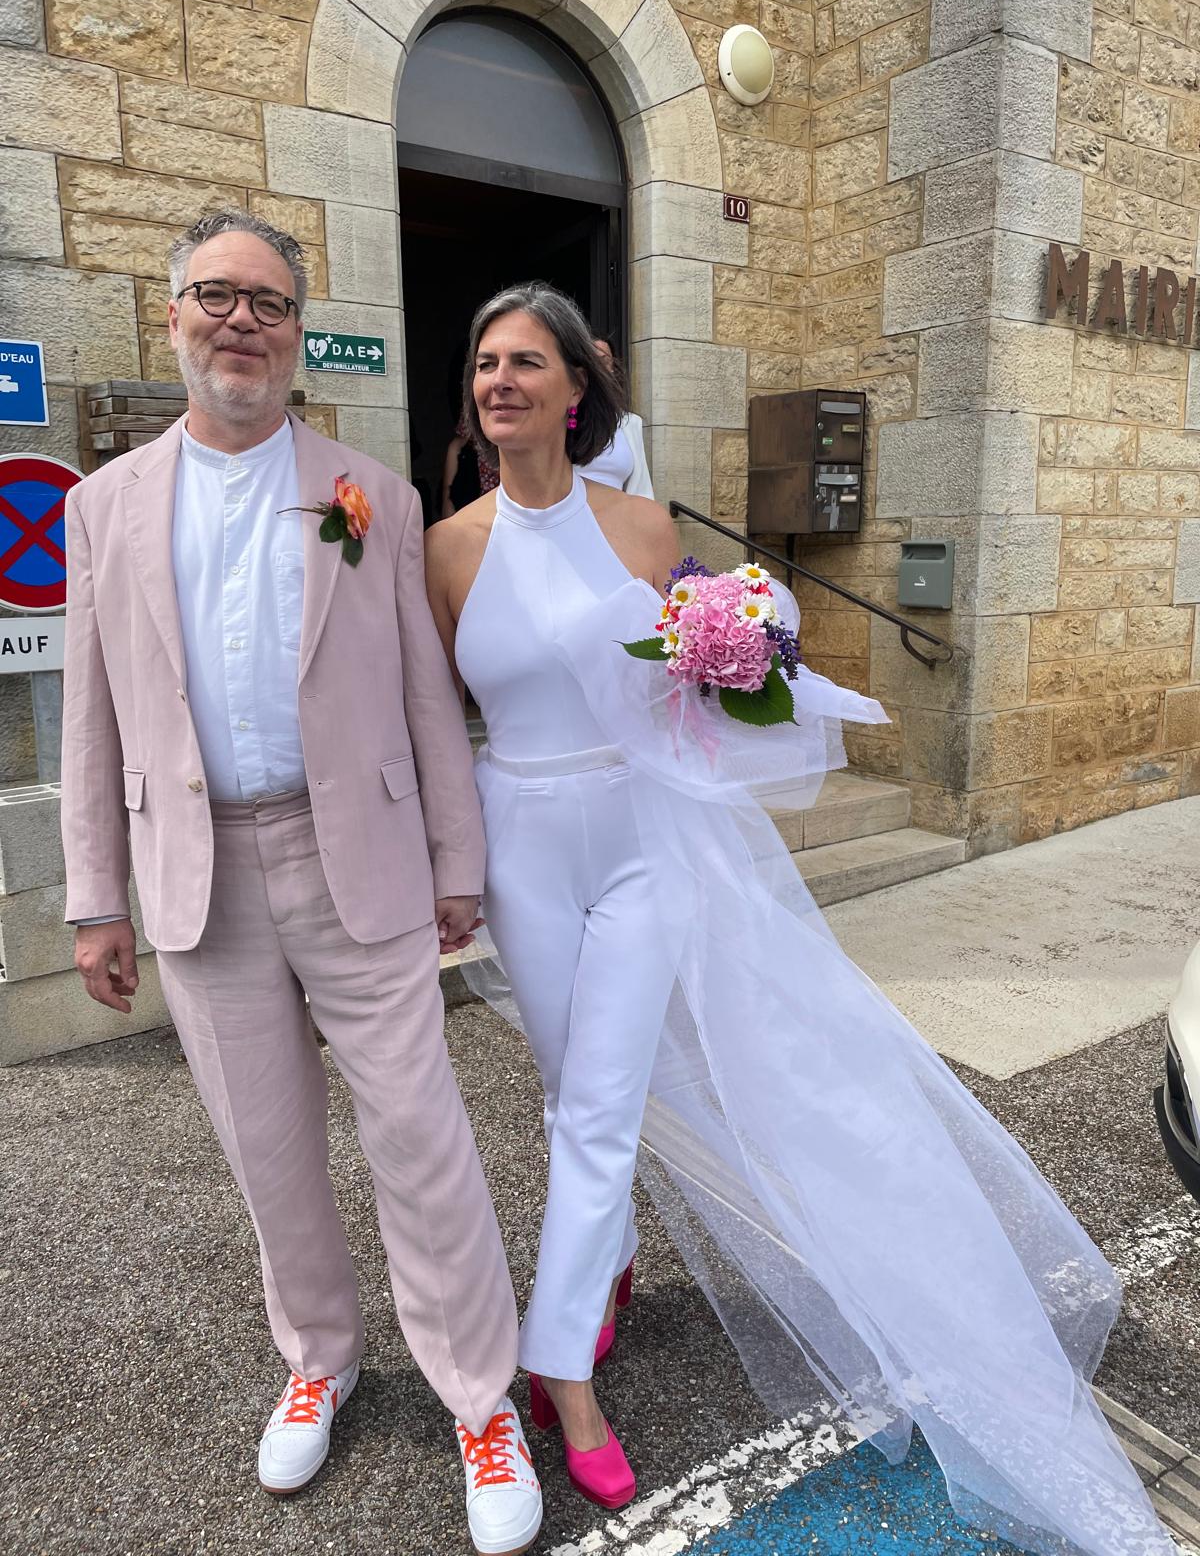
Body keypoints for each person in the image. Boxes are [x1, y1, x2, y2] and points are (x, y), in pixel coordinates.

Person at [424, 280, 1176, 1554]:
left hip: (639, 843)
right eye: (486, 363)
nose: (501, 381)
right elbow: (443, 722)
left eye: (526, 362)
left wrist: (739, 656)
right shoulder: (447, 546)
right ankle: (606, 1261)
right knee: (570, 1091)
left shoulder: (645, 527)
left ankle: (562, 1374)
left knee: (601, 1104)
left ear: (574, 388)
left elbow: (692, 697)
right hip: (520, 846)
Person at [60, 211, 542, 1556]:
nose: (244, 323)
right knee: (268, 1152)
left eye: (270, 304)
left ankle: (480, 1398)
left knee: (423, 1141)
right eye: (218, 296)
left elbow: (424, 694)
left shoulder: (363, 493)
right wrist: (96, 896)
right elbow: (90, 716)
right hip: (198, 872)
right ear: (172, 314)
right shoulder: (103, 506)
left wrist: (457, 858)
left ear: (297, 334)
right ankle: (319, 1356)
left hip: (360, 865)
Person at [580, 337, 653, 498]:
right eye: (590, 361)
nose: (597, 368)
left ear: (613, 368)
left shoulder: (629, 423)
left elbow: (642, 489)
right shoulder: (559, 419)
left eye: (603, 361)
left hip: (619, 512)